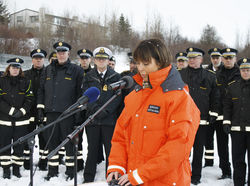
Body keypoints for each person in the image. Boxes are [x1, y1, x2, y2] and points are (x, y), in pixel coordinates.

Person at [107, 39, 200, 186]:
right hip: (133, 179)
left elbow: (177, 147)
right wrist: (116, 165)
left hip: (165, 181)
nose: (140, 69)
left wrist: (141, 174)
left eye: (146, 64)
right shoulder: (134, 96)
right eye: (138, 63)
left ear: (160, 62)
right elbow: (120, 135)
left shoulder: (180, 97)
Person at [37, 41, 84, 180]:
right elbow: (41, 90)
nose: (61, 54)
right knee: (51, 143)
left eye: (64, 52)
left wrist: (77, 113)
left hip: (68, 114)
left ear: (68, 53)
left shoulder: (77, 70)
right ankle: (52, 171)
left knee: (69, 144)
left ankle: (70, 171)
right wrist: (40, 108)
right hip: (51, 113)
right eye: (59, 52)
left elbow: (79, 94)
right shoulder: (48, 69)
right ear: (56, 54)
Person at [179, 47, 220, 185]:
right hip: (182, 120)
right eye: (189, 57)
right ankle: (181, 174)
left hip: (201, 121)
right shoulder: (180, 75)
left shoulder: (209, 76)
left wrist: (213, 114)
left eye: (194, 58)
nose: (191, 60)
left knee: (198, 150)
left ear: (201, 59)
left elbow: (215, 97)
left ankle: (196, 177)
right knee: (182, 150)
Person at [82, 47, 122, 183]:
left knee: (110, 151)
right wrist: (95, 109)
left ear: (108, 60)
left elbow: (118, 97)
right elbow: (85, 95)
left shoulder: (116, 76)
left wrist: (106, 110)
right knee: (92, 149)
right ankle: (88, 178)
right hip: (92, 119)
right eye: (98, 58)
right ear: (94, 60)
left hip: (109, 120)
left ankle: (110, 178)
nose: (101, 60)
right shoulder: (88, 76)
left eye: (104, 58)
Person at [0, 58, 34, 179]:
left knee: (19, 146)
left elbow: (30, 99)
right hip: (5, 120)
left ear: (20, 69)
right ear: (9, 68)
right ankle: (6, 169)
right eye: (13, 67)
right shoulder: (1, 81)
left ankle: (16, 169)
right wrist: (11, 111)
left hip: (21, 120)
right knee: (4, 145)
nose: (15, 70)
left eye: (17, 68)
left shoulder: (26, 81)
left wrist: (22, 111)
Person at [223, 58, 250, 186]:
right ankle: (238, 183)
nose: (245, 72)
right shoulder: (232, 86)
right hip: (236, 130)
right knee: (238, 159)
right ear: (240, 71)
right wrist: (226, 122)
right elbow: (227, 106)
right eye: (243, 70)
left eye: (248, 70)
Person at [216, 47, 240, 179]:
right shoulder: (218, 73)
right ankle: (226, 171)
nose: (228, 60)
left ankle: (239, 173)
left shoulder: (241, 72)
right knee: (222, 146)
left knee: (239, 149)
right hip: (221, 115)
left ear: (235, 58)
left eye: (231, 57)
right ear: (222, 59)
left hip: (237, 116)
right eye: (225, 58)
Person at [23, 48, 48, 171]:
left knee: (44, 138)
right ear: (32, 60)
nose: (38, 60)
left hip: (44, 111)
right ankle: (27, 161)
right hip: (29, 111)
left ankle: (43, 162)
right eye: (36, 58)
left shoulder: (49, 73)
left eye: (40, 58)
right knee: (28, 137)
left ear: (44, 59)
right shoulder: (25, 74)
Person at [204, 48, 223, 167]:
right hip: (208, 113)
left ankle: (224, 166)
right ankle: (209, 163)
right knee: (208, 139)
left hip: (221, 114)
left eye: (217, 57)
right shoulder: (205, 71)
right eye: (213, 57)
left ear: (220, 58)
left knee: (222, 143)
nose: (215, 60)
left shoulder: (225, 71)